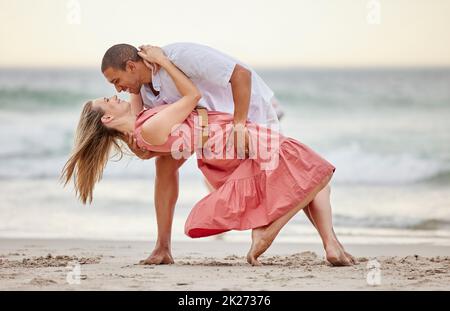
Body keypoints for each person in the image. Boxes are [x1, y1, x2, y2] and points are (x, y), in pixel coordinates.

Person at [63, 46, 355, 266]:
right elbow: (150, 123)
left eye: (116, 82)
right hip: (217, 136)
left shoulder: (181, 56)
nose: (117, 91)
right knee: (309, 173)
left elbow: (241, 75)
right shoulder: (143, 102)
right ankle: (169, 246)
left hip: (246, 116)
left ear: (130, 65)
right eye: (111, 92)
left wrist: (239, 124)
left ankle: (328, 243)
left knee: (299, 175)